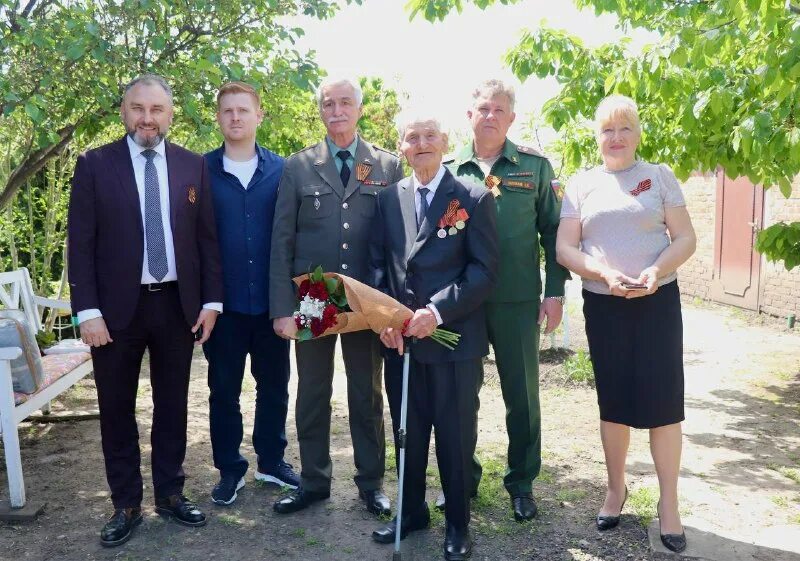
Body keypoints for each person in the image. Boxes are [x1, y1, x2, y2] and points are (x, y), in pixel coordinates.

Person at [67, 74, 223, 546]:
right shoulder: (95, 164)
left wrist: (211, 302)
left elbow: (206, 240)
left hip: (177, 306)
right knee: (116, 409)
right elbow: (81, 244)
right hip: (114, 313)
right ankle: (126, 504)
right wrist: (87, 311)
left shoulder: (193, 165)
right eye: (138, 108)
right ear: (124, 112)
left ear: (170, 114)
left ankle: (170, 494)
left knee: (173, 405)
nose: (147, 118)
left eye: (156, 109)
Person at [555, 94, 696, 553]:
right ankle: (616, 491)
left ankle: (669, 504)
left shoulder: (659, 176)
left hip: (658, 304)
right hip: (605, 305)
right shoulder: (581, 184)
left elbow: (686, 238)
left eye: (624, 128)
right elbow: (565, 249)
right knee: (613, 403)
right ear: (597, 137)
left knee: (663, 404)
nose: (615, 137)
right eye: (607, 130)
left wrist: (656, 269)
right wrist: (602, 273)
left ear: (638, 134)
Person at [270, 76, 404, 515]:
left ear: (359, 109)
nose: (337, 110)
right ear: (321, 111)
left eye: (346, 102)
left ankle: (371, 483)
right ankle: (313, 481)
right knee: (312, 390)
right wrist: (282, 309)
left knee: (367, 392)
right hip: (313, 296)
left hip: (366, 297)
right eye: (329, 103)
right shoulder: (298, 166)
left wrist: (393, 309)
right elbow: (282, 241)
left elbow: (399, 242)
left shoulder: (386, 166)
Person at [369, 113, 498, 561]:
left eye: (429, 136)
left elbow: (484, 271)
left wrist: (437, 311)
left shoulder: (473, 197)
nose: (421, 143)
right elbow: (378, 264)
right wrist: (385, 318)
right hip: (401, 343)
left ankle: (458, 523)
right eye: (412, 137)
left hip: (453, 341)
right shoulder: (388, 199)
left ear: (444, 142)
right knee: (407, 430)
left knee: (454, 435)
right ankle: (411, 511)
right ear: (401, 147)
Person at [443, 79, 569, 521]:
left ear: (512, 118)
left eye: (499, 110)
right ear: (470, 115)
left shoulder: (534, 167)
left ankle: (521, 483)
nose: (490, 116)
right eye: (483, 108)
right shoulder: (450, 169)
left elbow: (554, 231)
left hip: (517, 300)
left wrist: (555, 291)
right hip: (464, 302)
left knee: (523, 396)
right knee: (461, 395)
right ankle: (462, 480)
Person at [203, 82, 299, 506]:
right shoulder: (200, 171)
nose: (236, 117)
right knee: (223, 391)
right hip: (222, 306)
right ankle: (229, 469)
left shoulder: (283, 170)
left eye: (243, 110)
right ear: (218, 118)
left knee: (274, 386)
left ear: (259, 115)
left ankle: (271, 461)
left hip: (271, 304)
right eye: (228, 111)